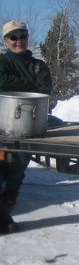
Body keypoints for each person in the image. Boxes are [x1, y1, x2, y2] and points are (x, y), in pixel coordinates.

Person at [0, 20, 52, 234]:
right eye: (13, 37)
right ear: (5, 41)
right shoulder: (2, 62)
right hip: (2, 122)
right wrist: (28, 84)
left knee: (18, 167)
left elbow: (45, 89)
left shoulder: (39, 65)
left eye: (22, 36)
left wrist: (14, 83)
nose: (18, 41)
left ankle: (5, 209)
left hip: (29, 123)